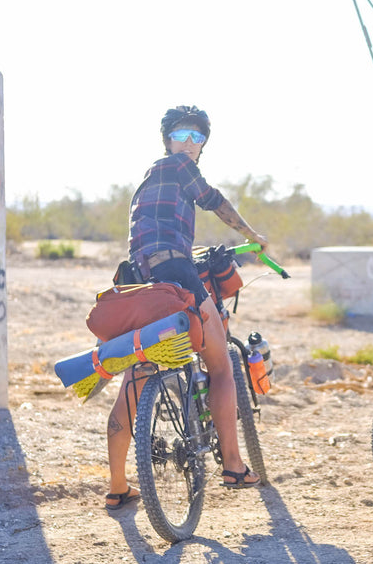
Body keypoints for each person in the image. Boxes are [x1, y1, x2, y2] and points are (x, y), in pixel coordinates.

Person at [104, 105, 269, 510]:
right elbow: (214, 200)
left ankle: (117, 486)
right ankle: (232, 463)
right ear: (168, 139)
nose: (191, 143)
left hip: (137, 282)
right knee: (221, 364)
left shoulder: (148, 182)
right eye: (183, 134)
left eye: (198, 138)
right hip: (176, 271)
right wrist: (252, 235)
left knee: (135, 380)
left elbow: (155, 234)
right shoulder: (177, 166)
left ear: (204, 144)